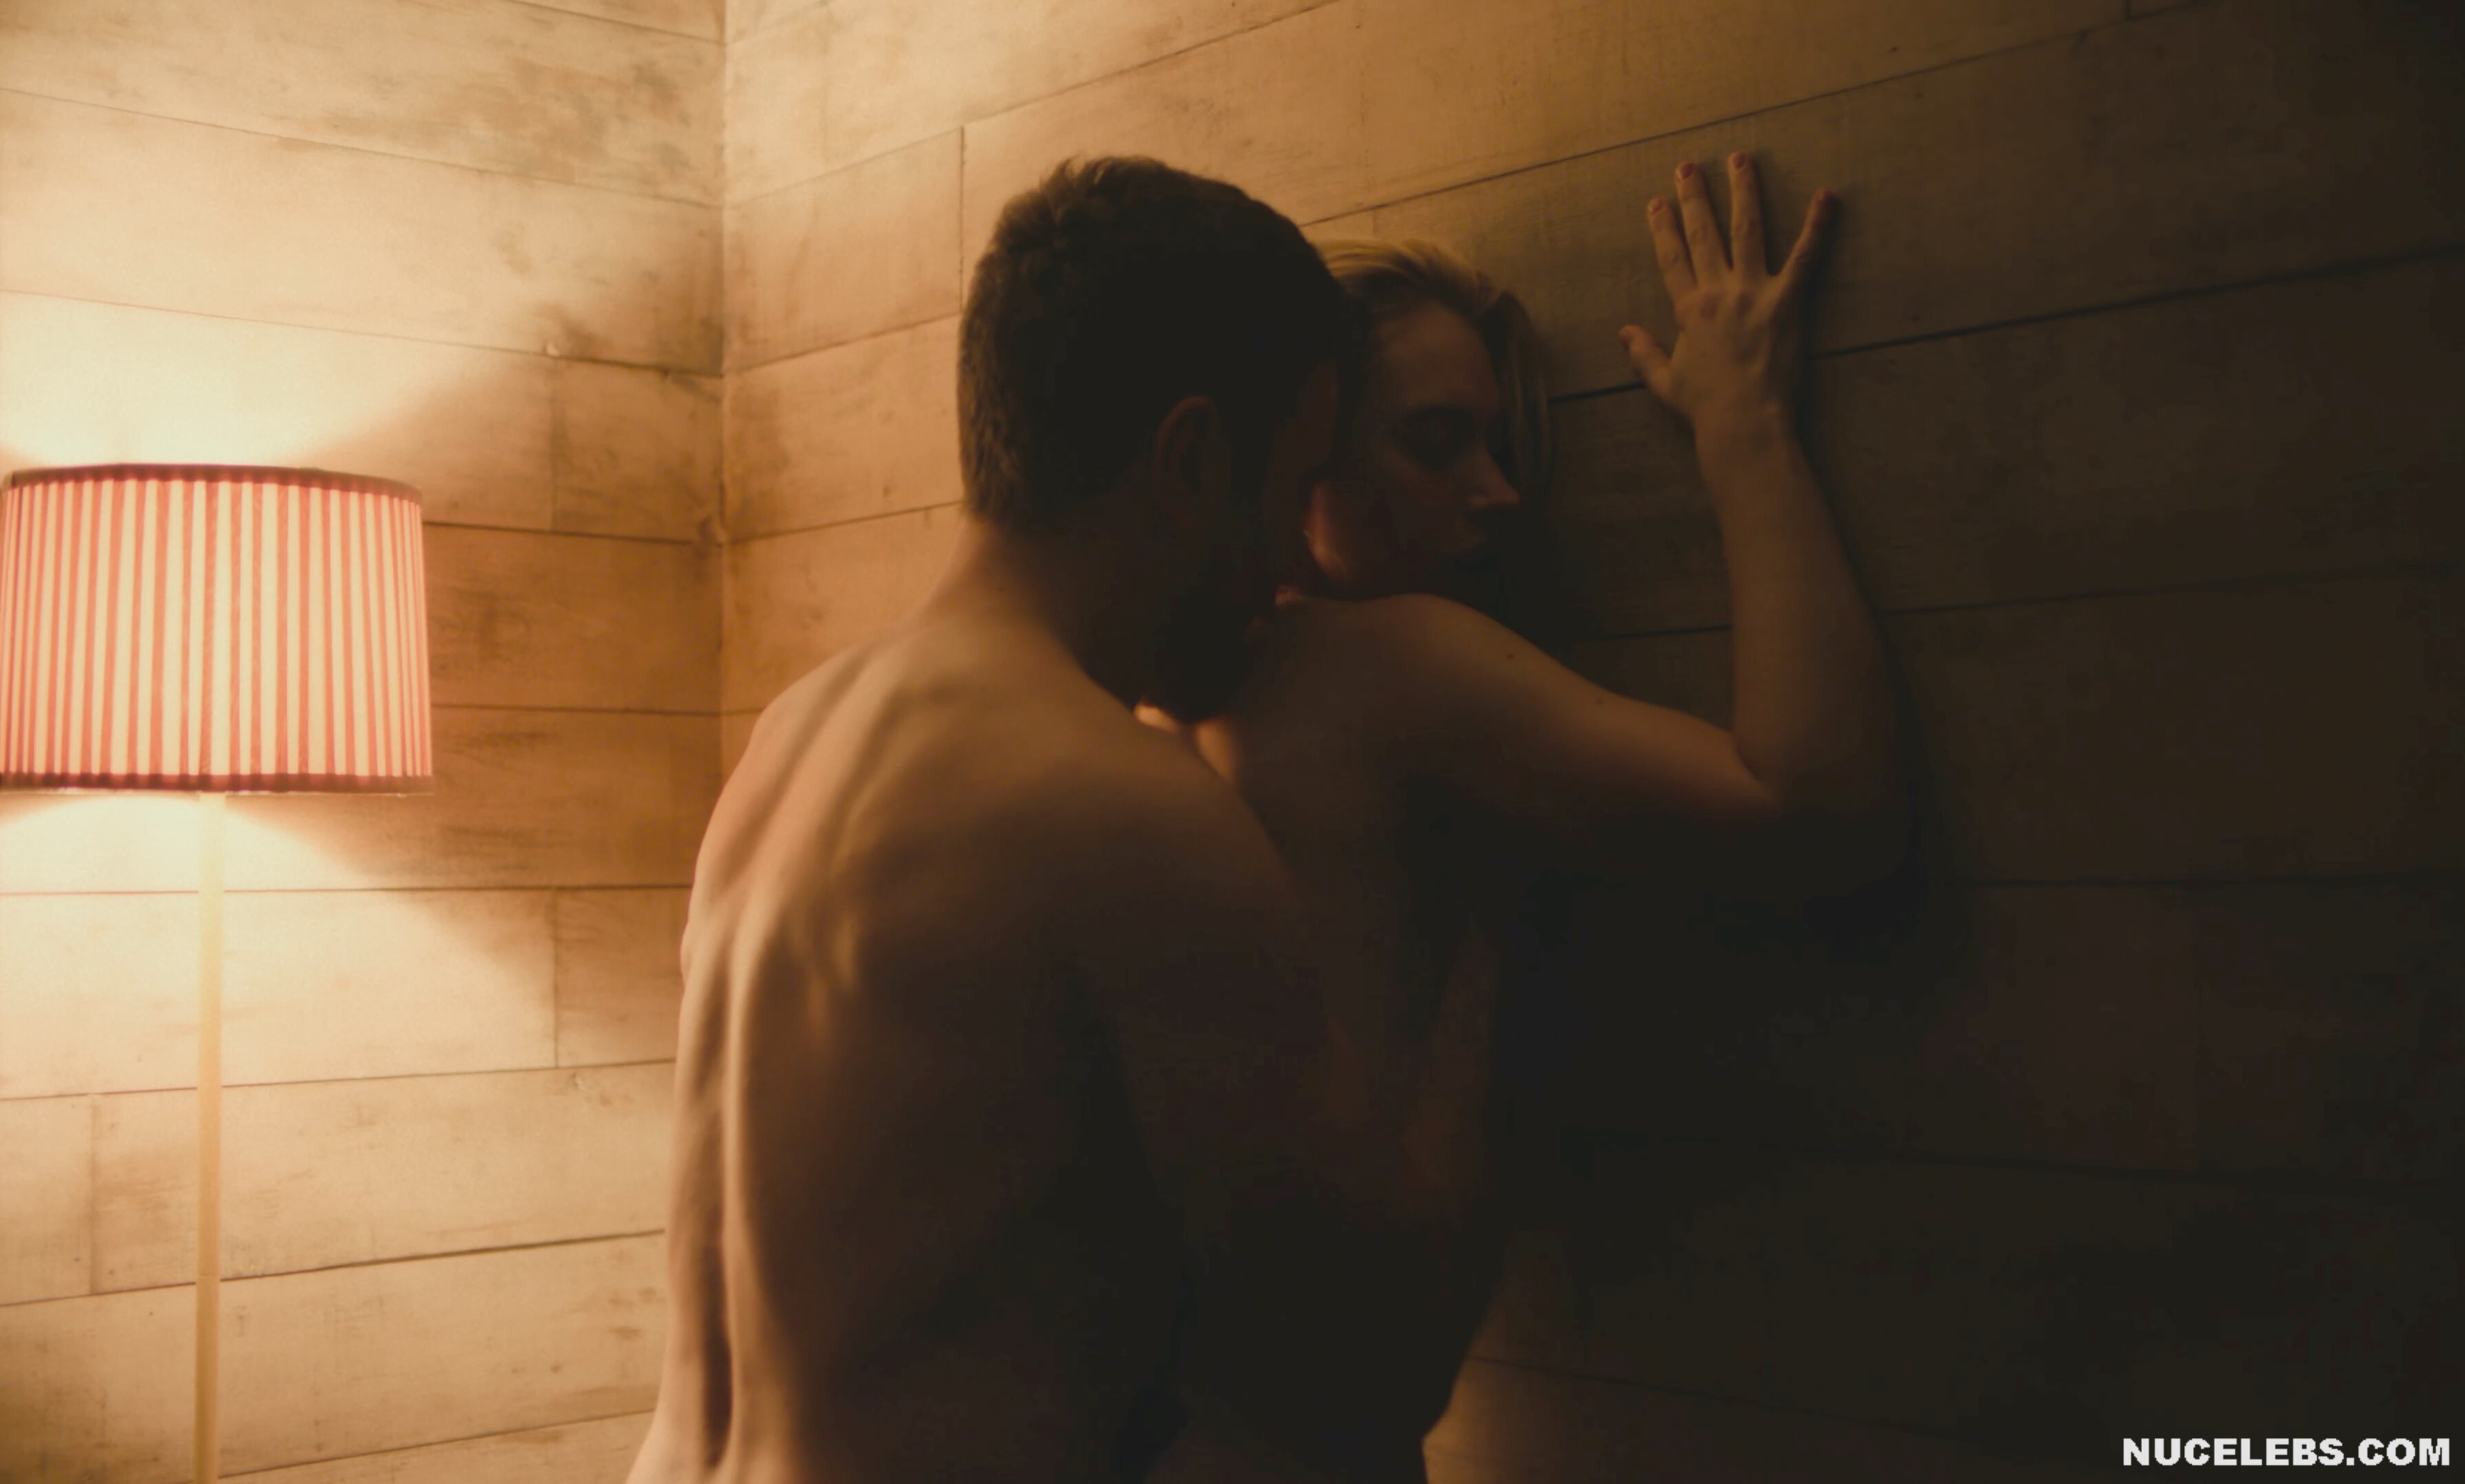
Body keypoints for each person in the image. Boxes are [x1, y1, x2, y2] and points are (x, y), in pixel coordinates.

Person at [627, 157, 1448, 1484]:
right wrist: (1508, 925)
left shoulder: (790, 738)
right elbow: (1375, 1370)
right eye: (1292, 487)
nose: (1296, 563)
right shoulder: (1118, 807)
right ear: (1193, 459)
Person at [1140, 151, 1909, 1482]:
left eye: (1495, 445)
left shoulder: (1152, 699)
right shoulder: (1378, 663)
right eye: (1437, 443)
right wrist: (1744, 425)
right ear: (1301, 451)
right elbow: (1820, 809)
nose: (1500, 493)